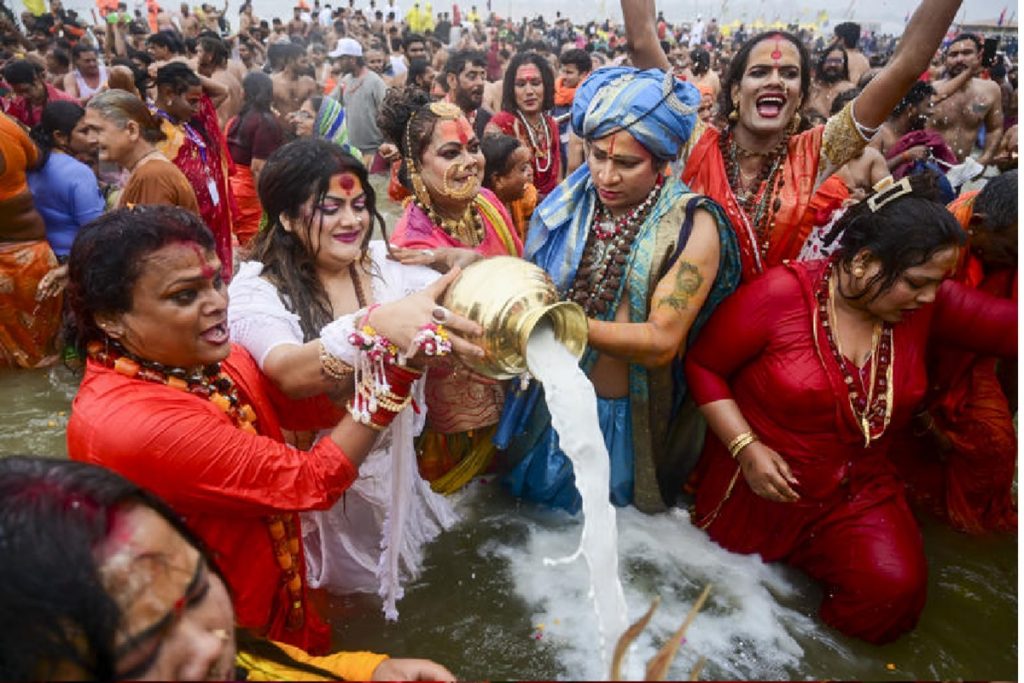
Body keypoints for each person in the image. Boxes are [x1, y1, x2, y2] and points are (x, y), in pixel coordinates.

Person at [65, 204, 482, 653]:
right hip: (216, 637)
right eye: (185, 296)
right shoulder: (135, 424)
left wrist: (385, 351)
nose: (219, 304)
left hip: (278, 588)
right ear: (110, 318)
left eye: (218, 281)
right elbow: (310, 482)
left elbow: (300, 411)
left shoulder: (207, 360)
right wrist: (393, 373)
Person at [685, 176, 1017, 644]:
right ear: (863, 262)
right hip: (759, 487)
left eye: (936, 285)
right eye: (917, 284)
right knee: (720, 616)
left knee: (893, 595)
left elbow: (1009, 328)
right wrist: (746, 447)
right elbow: (703, 365)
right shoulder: (780, 294)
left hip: (857, 490)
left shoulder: (927, 306)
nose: (928, 297)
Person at [495, 67, 741, 514]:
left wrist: (556, 324)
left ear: (663, 161)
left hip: (620, 424)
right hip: (550, 408)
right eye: (597, 156)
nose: (606, 176)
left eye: (627, 163)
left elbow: (661, 341)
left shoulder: (694, 224)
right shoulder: (574, 200)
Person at [229, 138, 458, 614]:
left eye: (359, 205)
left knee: (422, 581)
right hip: (324, 489)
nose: (352, 220)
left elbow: (442, 297)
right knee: (349, 603)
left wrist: (467, 264)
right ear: (288, 219)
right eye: (330, 208)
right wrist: (373, 324)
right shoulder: (256, 288)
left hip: (397, 468)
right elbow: (288, 371)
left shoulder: (379, 260)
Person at [0, 456, 456, 681]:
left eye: (198, 592)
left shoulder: (219, 654)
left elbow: (258, 663)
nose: (210, 645)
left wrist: (368, 671)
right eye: (142, 654)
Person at [622, 0, 964, 283]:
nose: (775, 81)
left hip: (762, 330)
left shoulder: (818, 150)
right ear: (737, 91)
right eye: (759, 73)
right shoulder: (695, 139)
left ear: (800, 96)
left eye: (789, 74)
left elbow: (906, 66)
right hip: (679, 323)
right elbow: (641, 42)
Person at [377, 89, 523, 493]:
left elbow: (520, 276)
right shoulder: (411, 247)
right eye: (450, 153)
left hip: (512, 391)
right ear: (414, 167)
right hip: (453, 420)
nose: (470, 163)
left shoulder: (490, 202)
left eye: (473, 148)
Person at [889, 170, 1018, 534]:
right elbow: (897, 339)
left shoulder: (1007, 251)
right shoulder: (933, 244)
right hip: (911, 363)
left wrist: (1008, 411)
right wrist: (929, 426)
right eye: (1010, 253)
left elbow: (1012, 358)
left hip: (970, 367)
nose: (1013, 265)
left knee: (994, 446)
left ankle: (972, 533)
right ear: (977, 225)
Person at [153, 62, 235, 281]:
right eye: (192, 101)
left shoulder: (186, 122)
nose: (198, 109)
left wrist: (188, 73)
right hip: (184, 223)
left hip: (209, 216)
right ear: (168, 93)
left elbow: (222, 92)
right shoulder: (152, 127)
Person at [0, 112, 61, 369]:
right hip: (32, 259)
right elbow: (38, 157)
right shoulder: (5, 125)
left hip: (19, 262)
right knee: (42, 356)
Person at [27, 101, 105, 300]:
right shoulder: (78, 173)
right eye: (84, 132)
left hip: (45, 258)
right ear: (60, 137)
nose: (93, 139)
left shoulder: (33, 163)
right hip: (75, 262)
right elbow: (95, 231)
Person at [82, 89, 199, 213]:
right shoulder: (145, 171)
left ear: (132, 130)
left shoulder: (153, 176)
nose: (90, 140)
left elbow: (151, 231)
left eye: (97, 130)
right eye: (87, 131)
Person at [485, 52, 560, 198]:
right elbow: (494, 185)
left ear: (546, 86)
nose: (529, 91)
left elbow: (557, 180)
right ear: (511, 90)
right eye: (520, 85)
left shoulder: (551, 125)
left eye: (536, 83)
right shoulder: (500, 125)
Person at [226, 72, 284, 247]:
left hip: (231, 187)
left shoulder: (237, 119)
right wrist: (267, 202)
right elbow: (258, 169)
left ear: (244, 93)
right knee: (255, 243)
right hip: (249, 192)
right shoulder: (265, 122)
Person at [929, 34, 1004, 165]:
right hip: (928, 168)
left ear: (979, 56)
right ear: (945, 60)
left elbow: (995, 129)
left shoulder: (990, 90)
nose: (959, 59)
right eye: (953, 55)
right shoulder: (931, 91)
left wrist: (984, 160)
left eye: (967, 53)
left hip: (962, 172)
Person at [330, 37, 388, 169]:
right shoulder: (346, 80)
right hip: (353, 150)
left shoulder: (375, 81)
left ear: (352, 59)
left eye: (341, 59)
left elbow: (388, 113)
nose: (338, 63)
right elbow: (330, 103)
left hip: (374, 151)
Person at [482, 133, 536, 239]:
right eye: (523, 169)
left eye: (529, 165)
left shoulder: (523, 195)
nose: (531, 172)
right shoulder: (485, 219)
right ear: (498, 180)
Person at [3, 58, 78, 128]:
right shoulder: (16, 104)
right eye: (18, 93)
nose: (24, 96)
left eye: (26, 90)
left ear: (39, 78)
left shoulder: (66, 102)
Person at [197, 33, 243, 129]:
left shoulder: (216, 82)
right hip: (233, 132)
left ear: (210, 56)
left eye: (199, 51)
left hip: (222, 136)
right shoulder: (232, 78)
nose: (196, 56)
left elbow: (221, 118)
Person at [441, 49, 490, 138]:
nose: (480, 83)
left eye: (482, 77)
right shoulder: (434, 118)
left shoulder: (487, 119)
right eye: (472, 76)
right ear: (452, 80)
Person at [268, 41, 318, 122]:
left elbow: (314, 109)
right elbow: (266, 107)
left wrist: (300, 115)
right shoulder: (273, 82)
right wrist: (275, 113)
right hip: (280, 131)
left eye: (307, 62)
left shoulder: (309, 83)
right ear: (290, 61)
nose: (307, 66)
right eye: (303, 62)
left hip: (303, 132)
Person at [805, 45, 853, 120]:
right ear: (822, 62)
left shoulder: (849, 90)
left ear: (844, 64)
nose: (833, 65)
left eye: (838, 61)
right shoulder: (811, 88)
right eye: (829, 60)